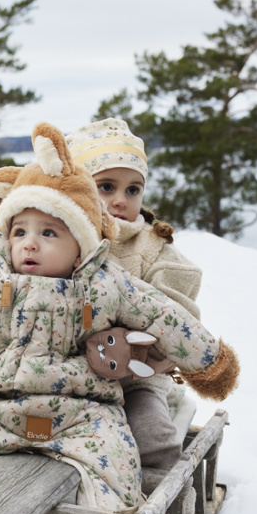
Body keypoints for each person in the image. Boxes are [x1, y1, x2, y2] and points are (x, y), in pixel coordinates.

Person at [0, 122, 239, 514]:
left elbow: (166, 316)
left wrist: (205, 363)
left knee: (141, 442)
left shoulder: (127, 267)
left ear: (81, 243)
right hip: (1, 404)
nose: (119, 200)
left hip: (108, 393)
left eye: (132, 189)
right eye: (20, 233)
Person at [65, 117, 201, 471]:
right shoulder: (59, 234)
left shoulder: (151, 248)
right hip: (59, 375)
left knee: (149, 432)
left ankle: (162, 502)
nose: (120, 200)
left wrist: (144, 347)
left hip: (133, 380)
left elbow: (178, 320)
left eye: (133, 189)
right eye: (106, 187)